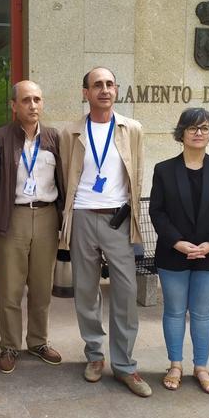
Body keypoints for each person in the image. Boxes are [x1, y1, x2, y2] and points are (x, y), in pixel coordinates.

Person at [59, 67, 150, 397]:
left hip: (118, 219)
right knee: (86, 289)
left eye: (110, 84)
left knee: (125, 292)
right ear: (85, 92)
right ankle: (95, 356)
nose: (104, 89)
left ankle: (125, 364)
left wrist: (132, 215)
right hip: (83, 216)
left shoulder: (132, 128)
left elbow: (136, 175)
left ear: (117, 90)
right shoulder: (70, 132)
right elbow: (65, 177)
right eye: (97, 85)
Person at [149, 108, 209, 394]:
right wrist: (177, 242)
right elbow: (157, 212)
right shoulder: (163, 170)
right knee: (174, 312)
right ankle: (175, 364)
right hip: (174, 253)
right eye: (192, 128)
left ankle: (201, 366)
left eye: (204, 128)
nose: (198, 133)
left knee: (202, 314)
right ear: (181, 133)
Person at [0, 80, 64, 374]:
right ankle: (9, 345)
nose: (33, 105)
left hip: (47, 217)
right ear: (14, 106)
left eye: (37, 99)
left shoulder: (54, 137)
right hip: (13, 218)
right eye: (26, 100)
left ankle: (38, 341)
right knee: (10, 288)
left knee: (42, 288)